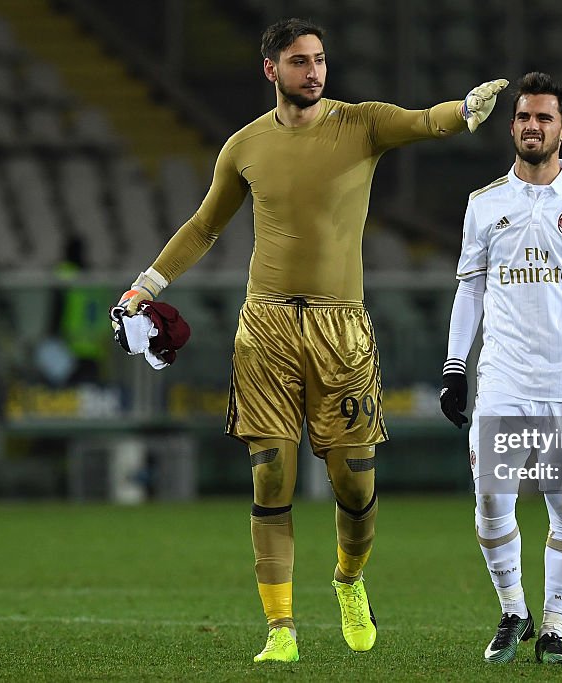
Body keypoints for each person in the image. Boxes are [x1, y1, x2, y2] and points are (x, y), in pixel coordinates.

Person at [112, 18, 508, 663]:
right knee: (271, 474)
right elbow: (204, 226)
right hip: (265, 324)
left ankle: (350, 581)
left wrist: (465, 111)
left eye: (320, 60)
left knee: (353, 480)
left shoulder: (362, 124)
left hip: (339, 324)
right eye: (300, 61)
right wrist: (144, 287)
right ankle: (281, 629)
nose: (315, 72)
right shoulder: (243, 147)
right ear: (272, 70)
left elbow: (423, 121)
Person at [439, 72, 562, 665]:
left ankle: (553, 629)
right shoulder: (484, 203)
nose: (531, 126)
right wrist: (454, 367)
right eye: (523, 117)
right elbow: (469, 291)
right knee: (491, 500)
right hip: (505, 378)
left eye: (544, 118)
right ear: (513, 125)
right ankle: (512, 609)